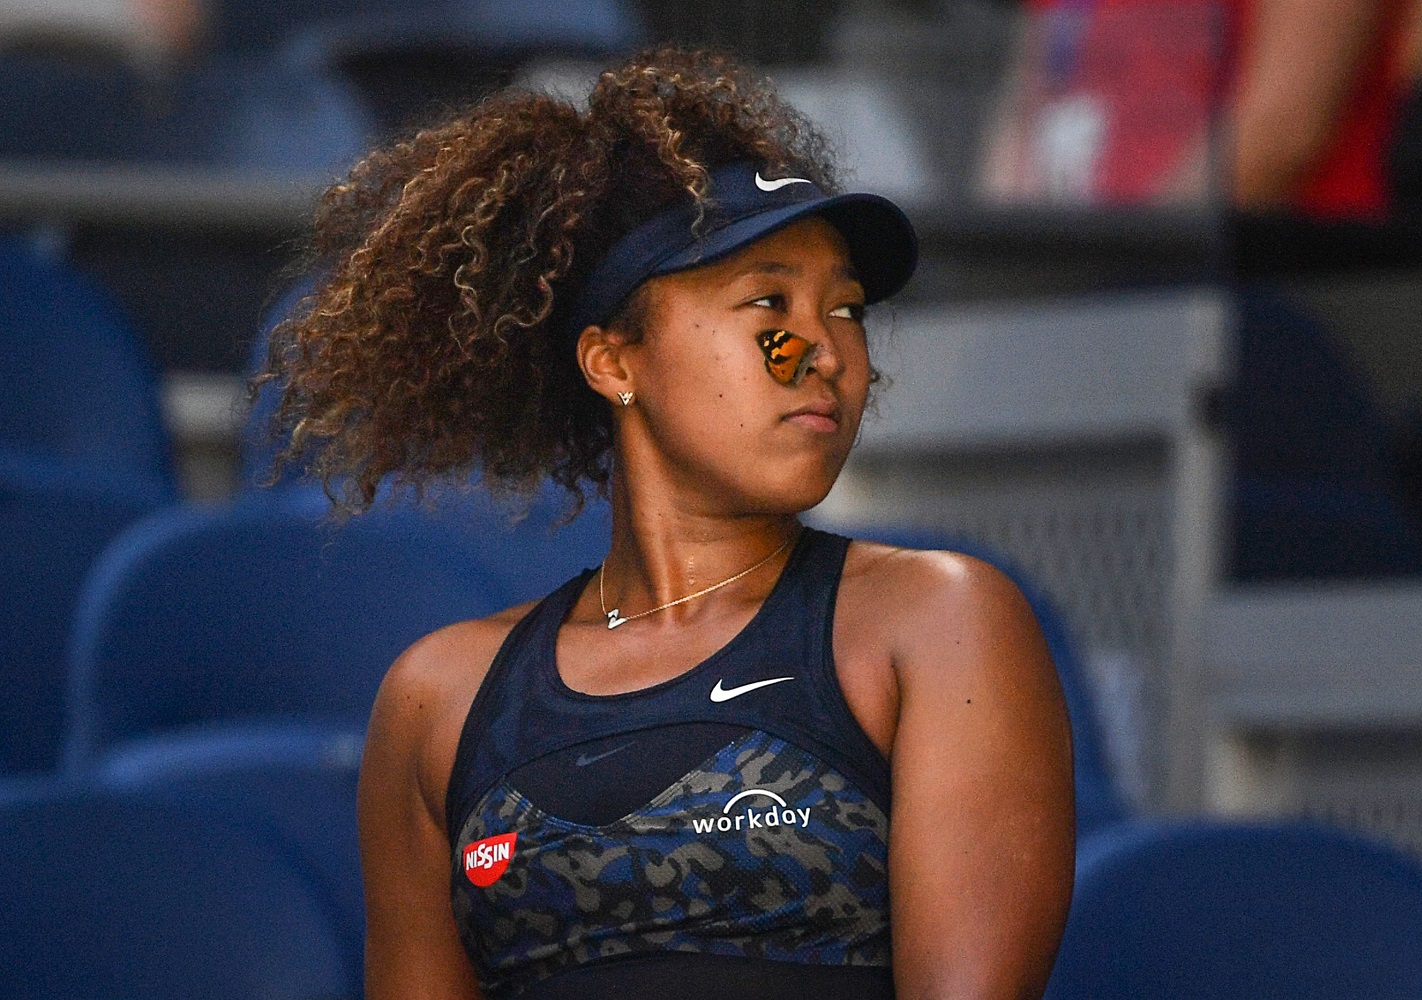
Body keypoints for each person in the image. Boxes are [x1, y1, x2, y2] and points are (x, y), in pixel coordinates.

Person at [254, 45, 1074, 1000]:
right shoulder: (440, 698)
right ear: (613, 363)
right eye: (768, 301)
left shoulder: (941, 622)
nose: (820, 351)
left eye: (845, 309)